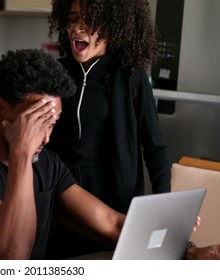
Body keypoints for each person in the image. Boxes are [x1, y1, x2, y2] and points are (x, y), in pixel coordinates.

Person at [0, 48, 220, 260]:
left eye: (54, 122)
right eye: (37, 121)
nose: (46, 137)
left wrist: (189, 252)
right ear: (1, 108)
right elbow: (11, 257)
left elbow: (113, 225)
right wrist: (21, 153)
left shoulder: (48, 164)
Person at [45, 0, 172, 258]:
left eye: (89, 21)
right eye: (72, 19)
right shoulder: (54, 73)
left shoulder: (131, 76)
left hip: (113, 198)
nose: (77, 28)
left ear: (114, 26)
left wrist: (164, 208)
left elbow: (155, 148)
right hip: (61, 198)